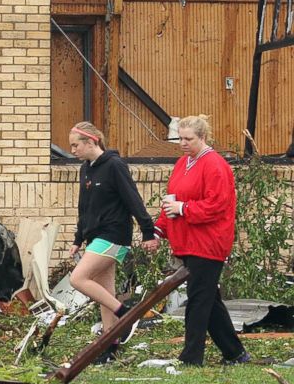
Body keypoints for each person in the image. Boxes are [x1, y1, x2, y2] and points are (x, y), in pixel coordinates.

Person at [142, 115, 249, 366]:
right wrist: (158, 230)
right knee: (209, 299)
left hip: (209, 241)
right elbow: (172, 202)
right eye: (180, 137)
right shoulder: (182, 164)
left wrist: (184, 209)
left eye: (188, 138)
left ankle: (191, 358)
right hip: (188, 240)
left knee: (198, 300)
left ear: (202, 138)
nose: (183, 143)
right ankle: (235, 353)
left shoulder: (215, 165)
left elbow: (217, 205)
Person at [68, 122, 158, 363]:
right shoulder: (86, 169)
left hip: (114, 234)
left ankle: (126, 314)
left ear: (91, 142)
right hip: (95, 236)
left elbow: (133, 199)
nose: (72, 150)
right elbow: (83, 207)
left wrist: (148, 232)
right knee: (104, 293)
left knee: (78, 278)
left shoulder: (115, 165)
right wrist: (78, 239)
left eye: (76, 145)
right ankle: (111, 346)